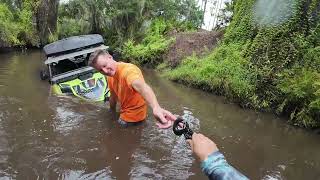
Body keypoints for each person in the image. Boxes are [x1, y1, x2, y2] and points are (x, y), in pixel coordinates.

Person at [88, 49, 176, 128]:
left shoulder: (129, 71)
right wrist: (111, 112)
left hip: (133, 118)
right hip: (126, 113)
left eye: (105, 65)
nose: (105, 71)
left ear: (110, 57)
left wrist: (156, 107)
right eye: (101, 70)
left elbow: (143, 88)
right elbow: (113, 97)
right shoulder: (110, 77)